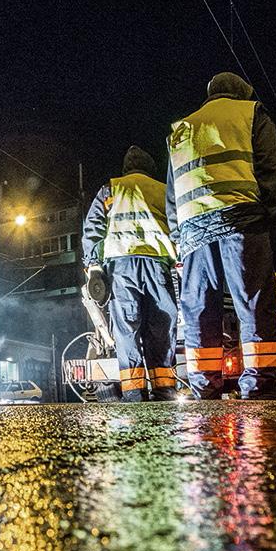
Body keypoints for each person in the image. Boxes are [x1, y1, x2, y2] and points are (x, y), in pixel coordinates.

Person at [166, 72, 276, 399]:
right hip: (242, 222)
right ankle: (259, 385)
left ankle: (205, 387)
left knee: (199, 310)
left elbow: (172, 195)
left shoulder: (181, 130)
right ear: (242, 92)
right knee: (253, 302)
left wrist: (178, 238)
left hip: (193, 235)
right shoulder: (251, 113)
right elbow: (272, 168)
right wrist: (272, 214)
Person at [82, 145, 179, 402]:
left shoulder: (111, 189)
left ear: (126, 168)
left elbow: (92, 229)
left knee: (127, 329)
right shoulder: (163, 189)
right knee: (161, 327)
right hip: (157, 265)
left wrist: (93, 267)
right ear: (150, 168)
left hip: (122, 269)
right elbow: (178, 225)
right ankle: (164, 389)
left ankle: (134, 392)